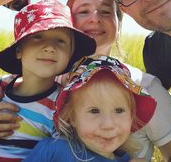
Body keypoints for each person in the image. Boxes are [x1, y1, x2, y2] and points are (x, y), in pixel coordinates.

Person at [0, 0, 171, 161]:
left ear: (119, 24)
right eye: (83, 11)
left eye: (106, 12)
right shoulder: (45, 81)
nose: (95, 18)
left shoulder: (145, 87)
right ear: (66, 25)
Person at [0, 0, 96, 162]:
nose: (50, 47)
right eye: (38, 37)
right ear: (18, 50)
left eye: (61, 41)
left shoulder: (65, 103)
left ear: (70, 55)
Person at [24, 55, 157, 162]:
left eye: (119, 110)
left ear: (131, 116)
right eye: (94, 111)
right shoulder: (54, 151)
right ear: (72, 118)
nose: (108, 125)